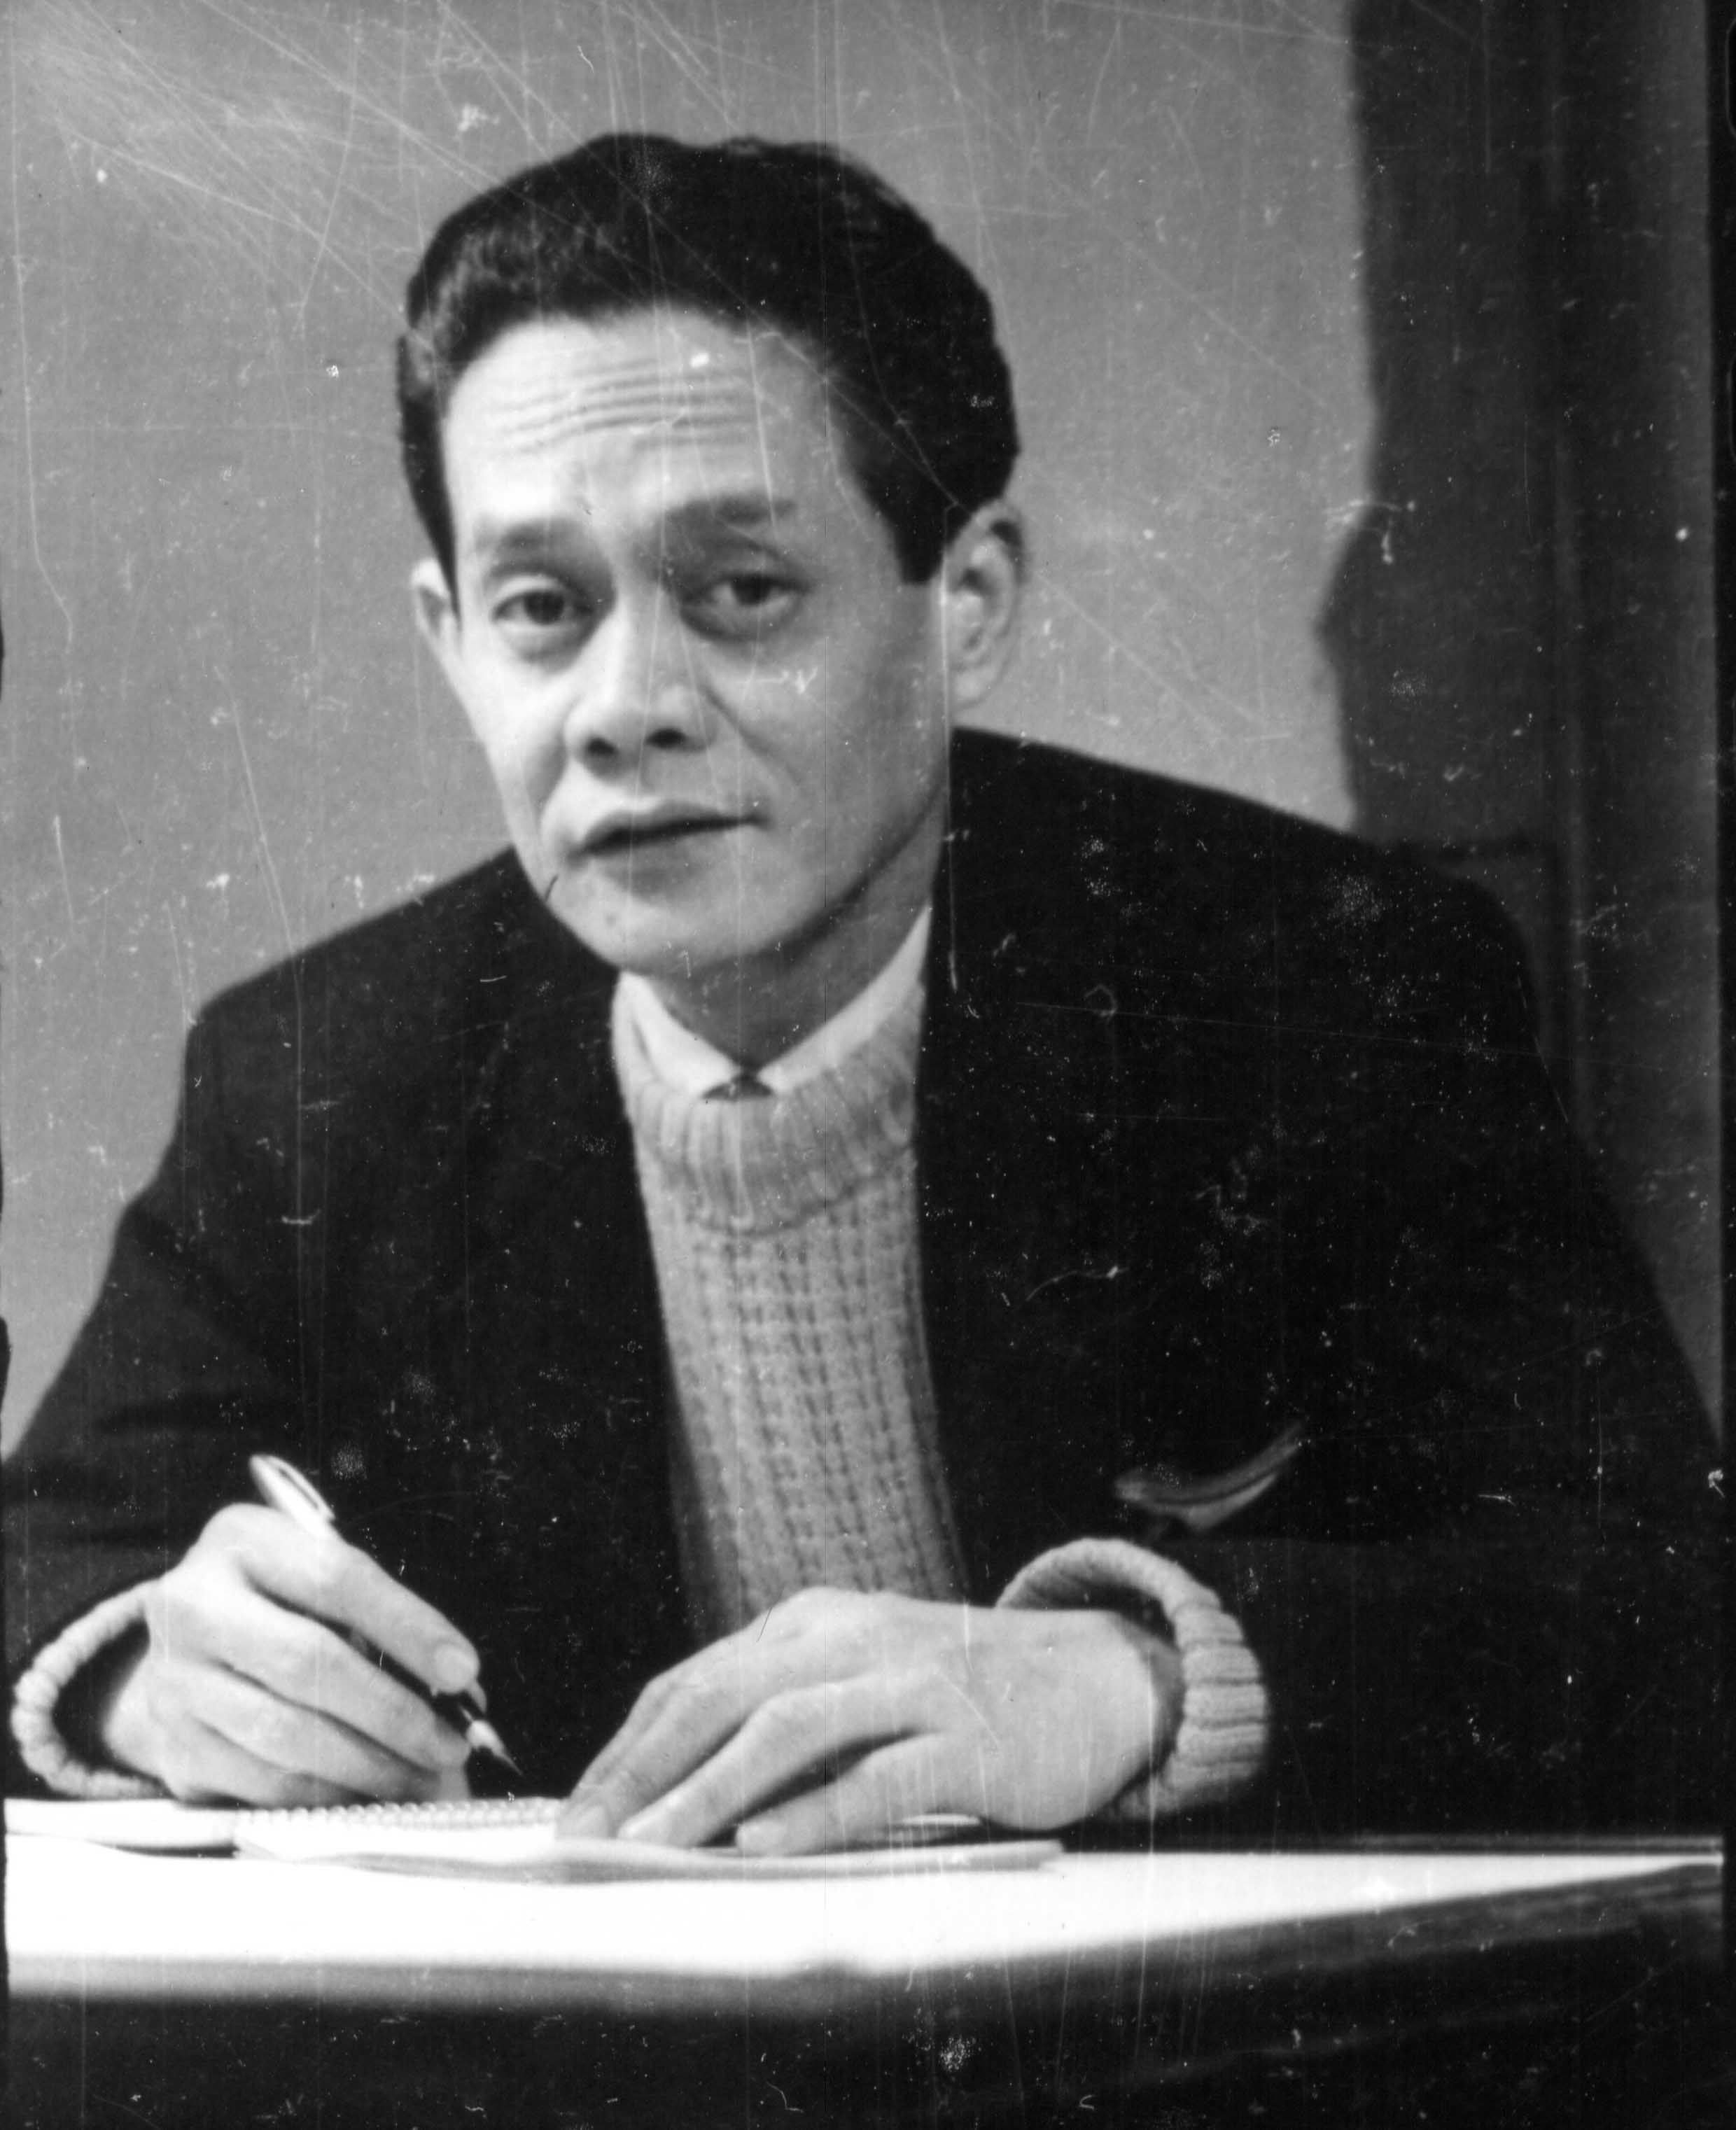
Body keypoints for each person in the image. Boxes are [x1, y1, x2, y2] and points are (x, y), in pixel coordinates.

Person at [5, 134, 1718, 1848]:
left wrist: (1135, 1676)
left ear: (965, 605)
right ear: (450, 637)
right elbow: (42, 1561)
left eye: (740, 592)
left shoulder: (1314, 980)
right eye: (542, 609)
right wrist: (139, 1677)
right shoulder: (316, 1072)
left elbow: (1659, 1618)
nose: (623, 705)